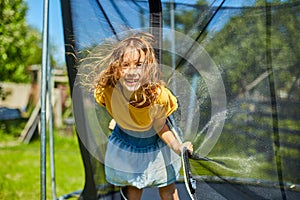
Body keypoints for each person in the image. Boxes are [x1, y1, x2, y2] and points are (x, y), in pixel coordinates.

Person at [93, 32, 193, 200]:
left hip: (155, 140)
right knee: (133, 188)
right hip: (128, 141)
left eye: (139, 64)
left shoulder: (158, 96)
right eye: (125, 65)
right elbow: (109, 104)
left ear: (148, 68)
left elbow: (161, 127)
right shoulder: (108, 90)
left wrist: (178, 147)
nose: (132, 71)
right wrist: (118, 119)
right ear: (116, 68)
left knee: (167, 188)